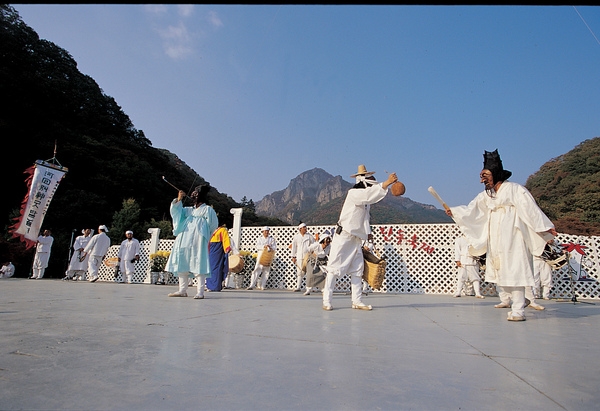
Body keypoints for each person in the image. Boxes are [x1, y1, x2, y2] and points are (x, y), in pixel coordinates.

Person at [445, 149, 557, 322]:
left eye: (486, 175)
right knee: (502, 272)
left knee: (515, 269)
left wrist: (544, 226)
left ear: (496, 174)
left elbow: (530, 210)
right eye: (482, 176)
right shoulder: (486, 196)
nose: (483, 179)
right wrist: (454, 212)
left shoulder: (514, 189)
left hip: (514, 235)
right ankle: (519, 301)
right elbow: (471, 211)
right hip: (496, 238)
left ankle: (518, 309)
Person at [322, 165, 398, 311]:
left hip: (356, 238)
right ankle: (327, 300)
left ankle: (357, 300)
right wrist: (386, 183)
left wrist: (368, 235)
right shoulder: (354, 193)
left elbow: (365, 218)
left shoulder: (365, 201)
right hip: (344, 236)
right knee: (333, 268)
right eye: (369, 176)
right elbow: (369, 194)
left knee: (358, 269)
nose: (372, 179)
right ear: (362, 179)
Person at [165, 185, 218, 299]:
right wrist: (178, 200)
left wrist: (203, 233)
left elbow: (212, 225)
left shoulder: (207, 209)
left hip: (198, 241)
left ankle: (200, 291)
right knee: (182, 262)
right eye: (193, 193)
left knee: (199, 263)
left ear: (201, 196)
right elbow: (176, 213)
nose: (193, 195)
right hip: (184, 238)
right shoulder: (188, 210)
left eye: (196, 193)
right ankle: (182, 290)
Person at [453, 234, 484, 299]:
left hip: (473, 261)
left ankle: (477, 293)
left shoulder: (475, 239)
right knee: (461, 277)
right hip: (463, 261)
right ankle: (458, 291)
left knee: (475, 278)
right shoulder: (459, 239)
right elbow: (457, 250)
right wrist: (457, 260)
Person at [304, 230, 332, 295]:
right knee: (310, 274)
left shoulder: (329, 247)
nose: (327, 242)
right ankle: (308, 289)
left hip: (323, 261)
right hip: (313, 260)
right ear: (323, 240)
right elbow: (308, 249)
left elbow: (330, 254)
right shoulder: (316, 245)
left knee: (324, 274)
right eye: (326, 240)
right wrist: (312, 253)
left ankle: (323, 289)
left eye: (329, 241)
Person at [291, 222, 315, 292]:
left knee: (309, 272)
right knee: (300, 271)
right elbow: (294, 247)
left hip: (308, 256)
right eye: (304, 228)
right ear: (300, 229)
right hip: (299, 256)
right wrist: (293, 256)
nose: (305, 229)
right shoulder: (296, 237)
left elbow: (313, 246)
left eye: (306, 227)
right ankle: (298, 286)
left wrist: (312, 254)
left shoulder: (310, 236)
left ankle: (310, 288)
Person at [207, 223, 232, 292]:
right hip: (210, 249)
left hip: (217, 248)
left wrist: (227, 248)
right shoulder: (210, 229)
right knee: (209, 267)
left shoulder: (222, 230)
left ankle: (215, 286)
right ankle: (209, 285)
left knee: (216, 267)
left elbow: (225, 239)